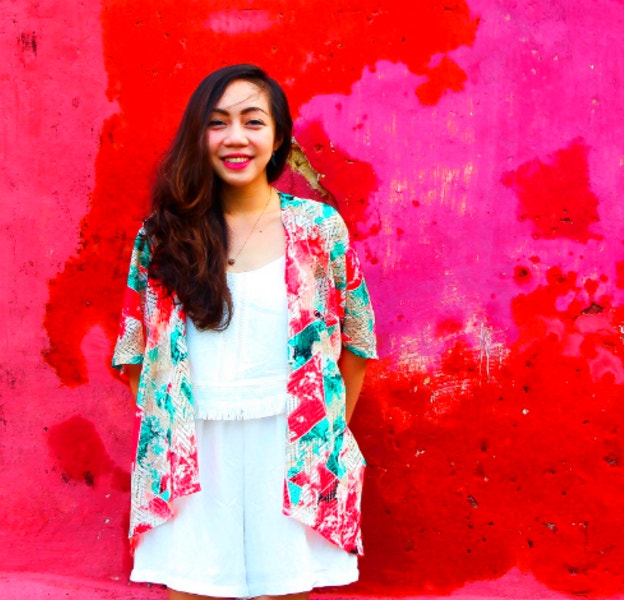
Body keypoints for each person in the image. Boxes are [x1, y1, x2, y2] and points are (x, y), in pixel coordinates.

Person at [111, 64, 377, 600]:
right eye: (218, 123)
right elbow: (135, 351)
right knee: (191, 592)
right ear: (199, 136)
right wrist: (173, 429)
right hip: (193, 456)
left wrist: (322, 440)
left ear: (278, 137)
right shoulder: (164, 236)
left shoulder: (319, 229)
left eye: (253, 122)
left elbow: (356, 342)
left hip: (291, 448)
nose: (236, 138)